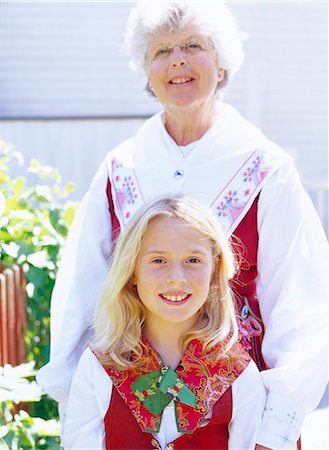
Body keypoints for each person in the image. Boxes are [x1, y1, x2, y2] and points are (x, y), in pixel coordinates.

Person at [37, 1, 328, 449]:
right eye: (161, 50)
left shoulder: (266, 167)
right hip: (126, 405)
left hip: (238, 411)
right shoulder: (120, 168)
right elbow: (82, 289)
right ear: (147, 70)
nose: (177, 60)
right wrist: (75, 396)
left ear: (223, 62)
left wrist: (274, 428)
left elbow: (301, 302)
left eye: (194, 45)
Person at [62, 195, 265, 449]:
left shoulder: (238, 374)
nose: (177, 278)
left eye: (193, 260)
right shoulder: (98, 367)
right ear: (132, 271)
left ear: (215, 269)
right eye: (158, 260)